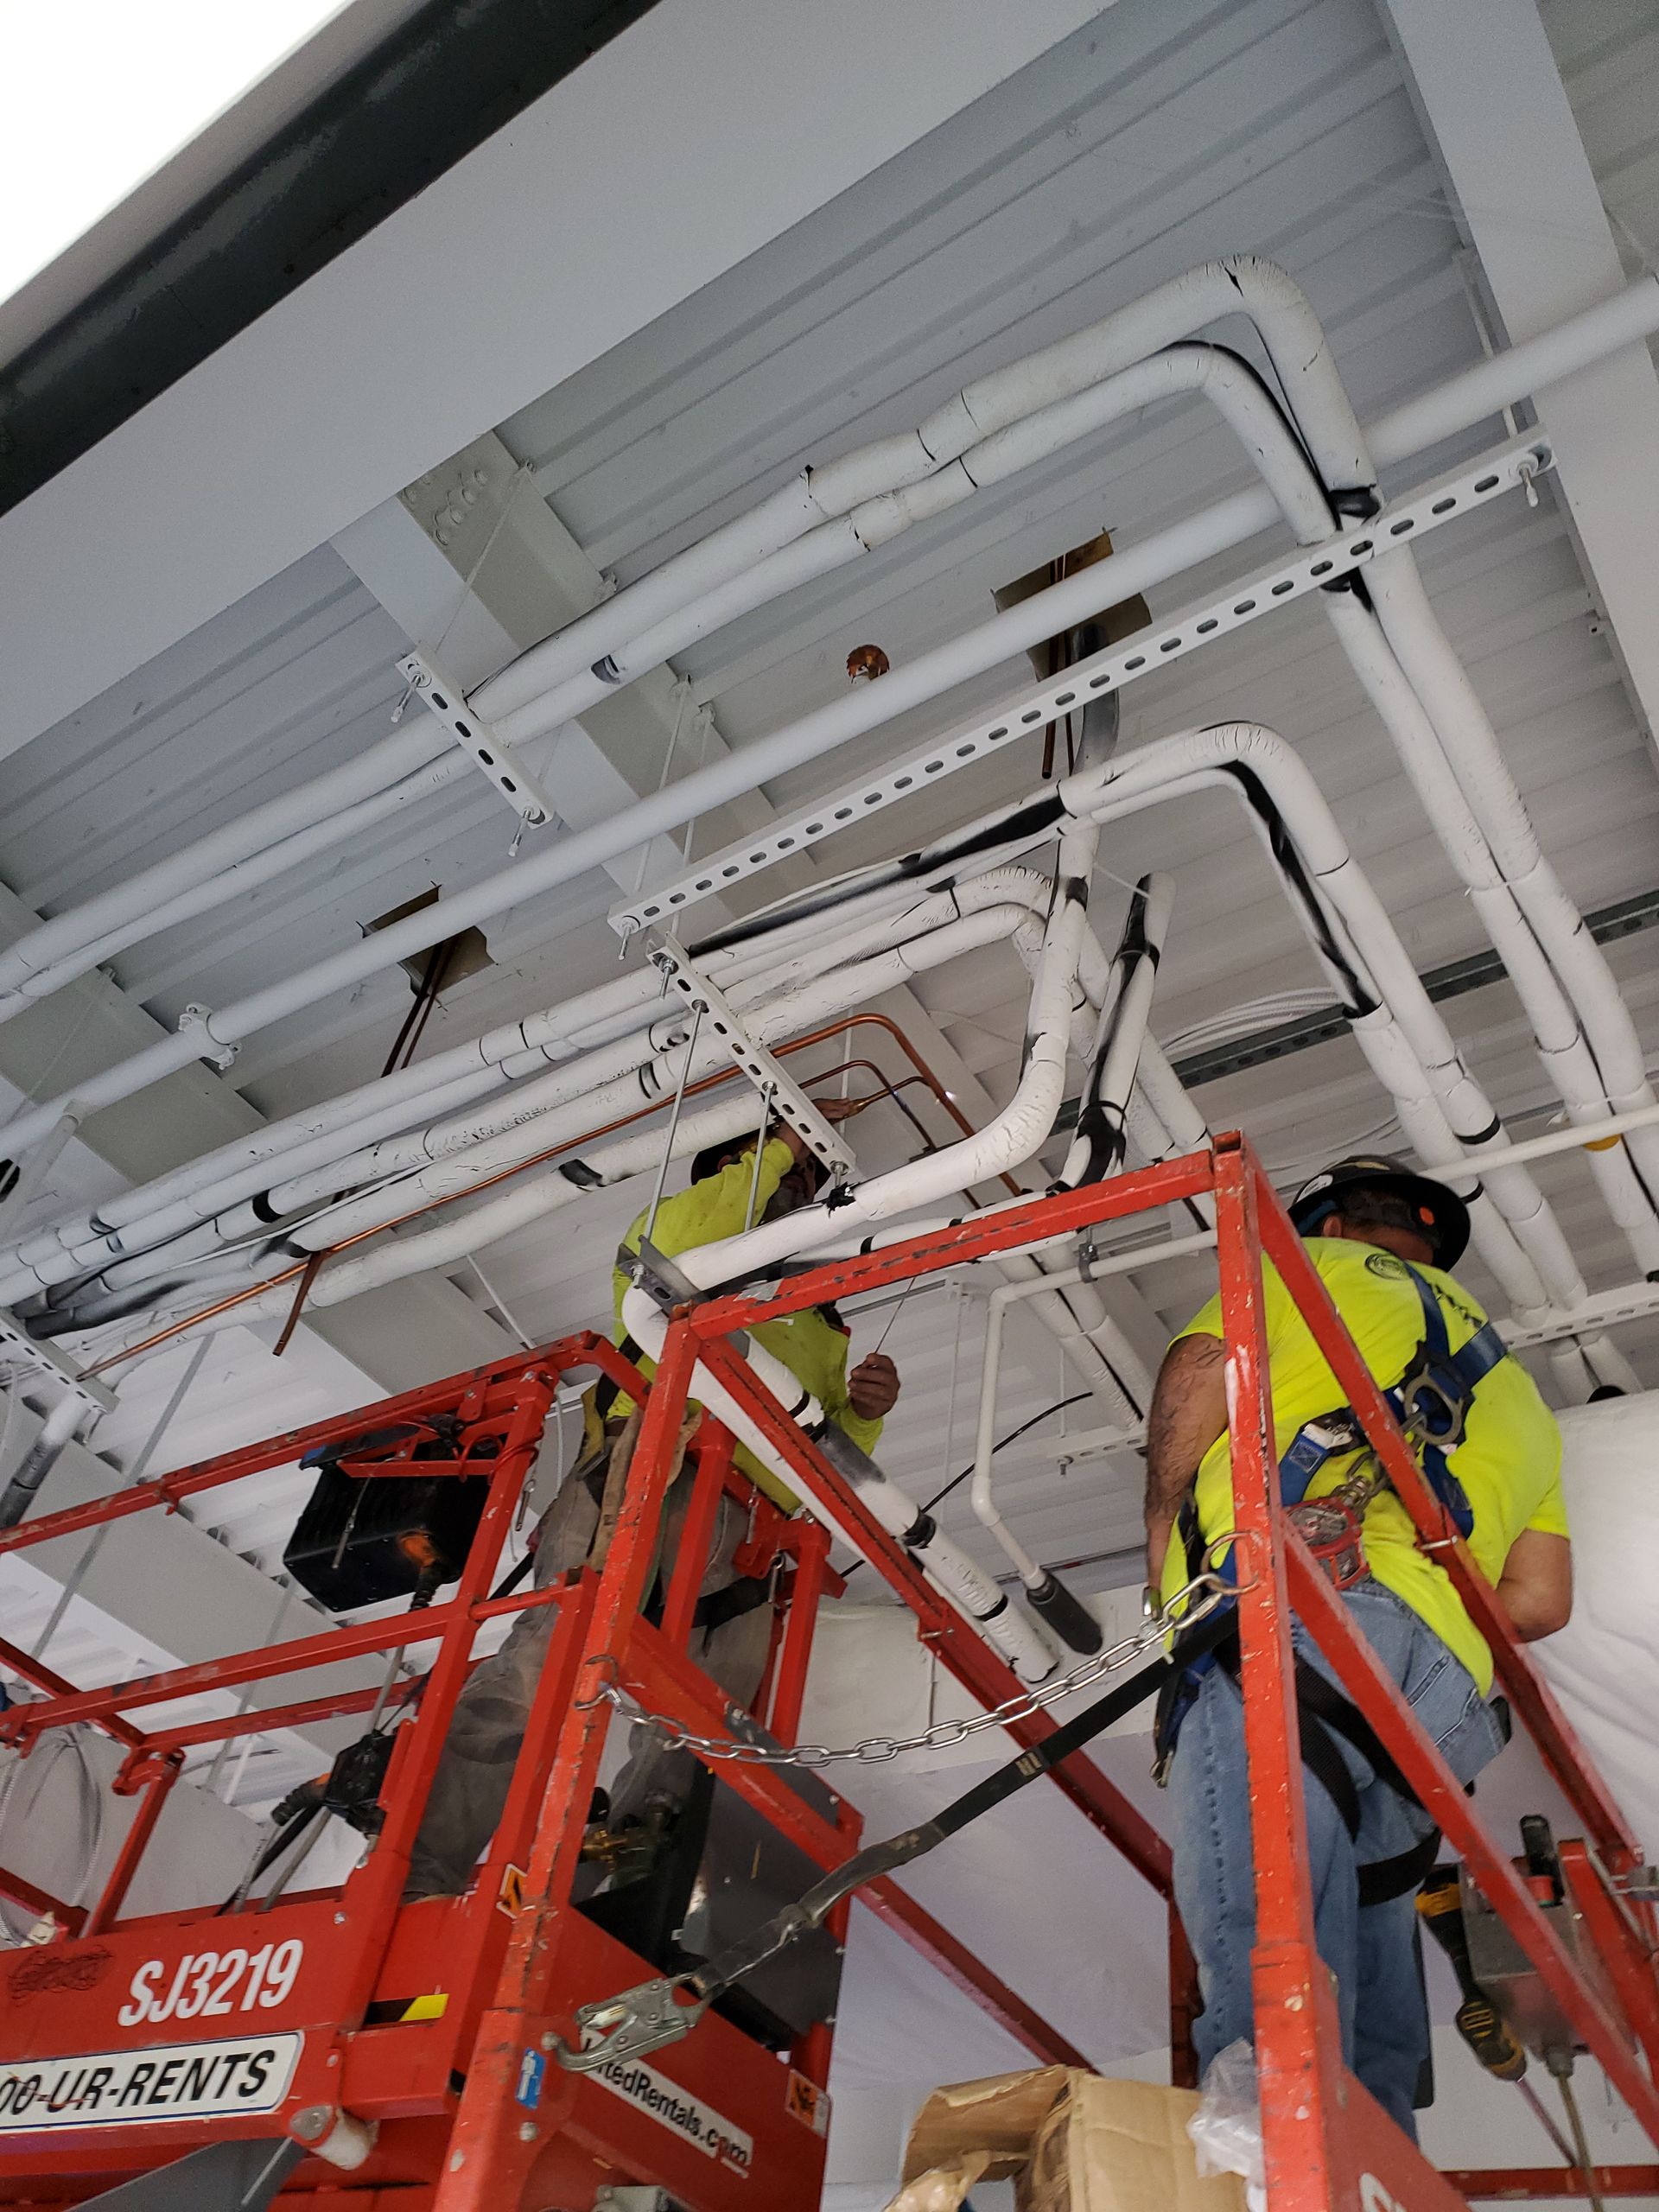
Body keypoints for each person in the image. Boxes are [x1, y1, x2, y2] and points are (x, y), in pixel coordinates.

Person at [1143, 1154, 1571, 2135]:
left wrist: (1164, 1534)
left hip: (1308, 1612)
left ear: (1327, 1228)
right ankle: (1372, 2160)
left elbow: (1198, 1370)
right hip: (1440, 1694)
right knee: (1376, 1903)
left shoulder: (1310, 1274)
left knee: (1272, 1905)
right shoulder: (1522, 1401)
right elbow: (1540, 1603)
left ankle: (1270, 2148)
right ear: (1431, 1245)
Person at [404, 1101, 899, 1899]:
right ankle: (416, 1878)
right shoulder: (679, 1234)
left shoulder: (820, 1319)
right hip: (651, 1474)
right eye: (790, 1172)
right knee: (547, 1666)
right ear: (734, 1166)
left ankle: (627, 1910)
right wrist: (773, 1150)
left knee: (707, 1729)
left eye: (807, 1176)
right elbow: (669, 1254)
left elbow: (820, 1458)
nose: (803, 1187)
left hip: (749, 1536)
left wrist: (863, 1418)